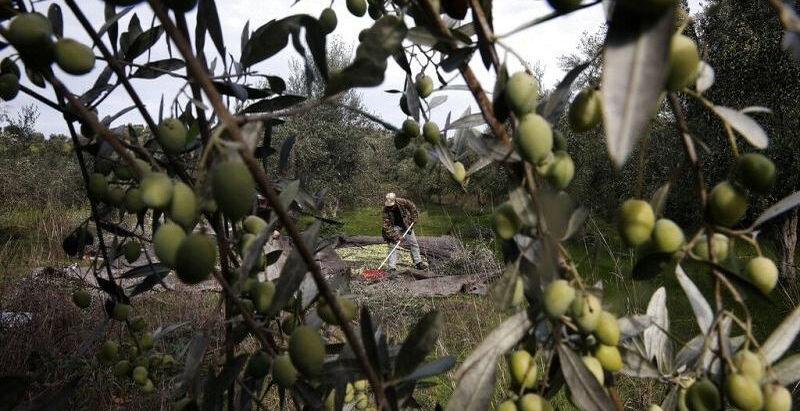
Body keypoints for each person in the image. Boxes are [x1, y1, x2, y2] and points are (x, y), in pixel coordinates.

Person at [382, 192, 428, 271]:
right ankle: (392, 267)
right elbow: (387, 227)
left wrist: (414, 217)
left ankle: (418, 262)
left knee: (414, 243)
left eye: (392, 205)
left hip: (406, 225)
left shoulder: (402, 202)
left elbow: (412, 206)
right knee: (392, 246)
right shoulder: (385, 210)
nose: (391, 207)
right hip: (394, 227)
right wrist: (397, 236)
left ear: (395, 201)